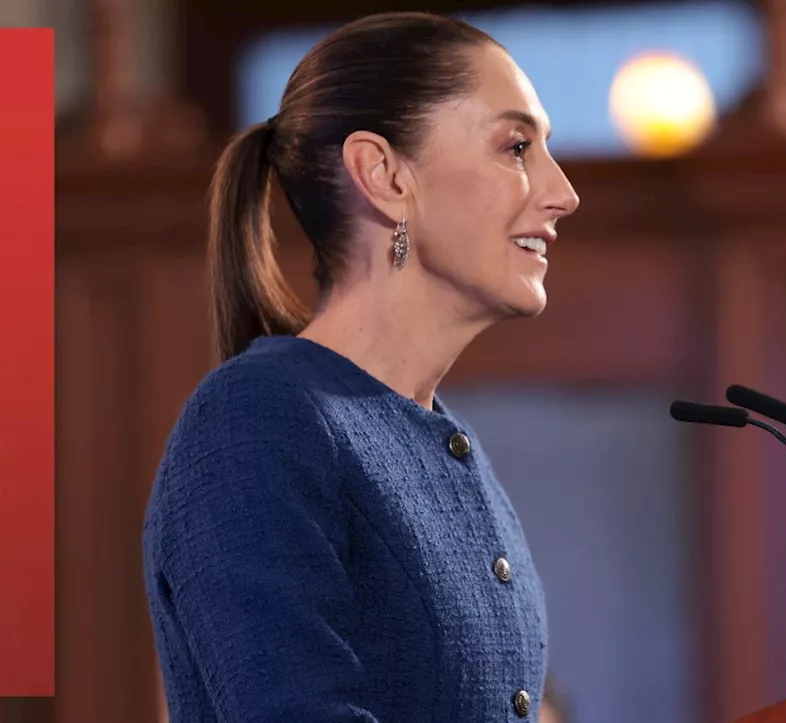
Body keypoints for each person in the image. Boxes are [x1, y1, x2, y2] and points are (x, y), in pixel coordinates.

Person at [141, 11, 579, 722]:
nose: (563, 191)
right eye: (517, 145)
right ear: (384, 174)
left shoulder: (457, 450)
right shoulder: (257, 419)